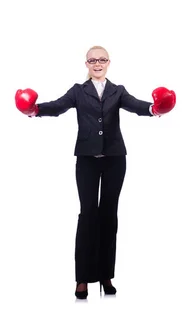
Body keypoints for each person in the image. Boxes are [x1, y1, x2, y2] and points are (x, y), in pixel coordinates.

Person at [14, 45, 176, 300]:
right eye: (92, 60)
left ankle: (105, 275)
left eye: (102, 60)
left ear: (109, 62)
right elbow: (58, 106)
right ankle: (82, 279)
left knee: (109, 214)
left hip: (115, 159)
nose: (97, 64)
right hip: (87, 160)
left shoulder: (117, 91)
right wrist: (34, 110)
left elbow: (136, 105)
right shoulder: (78, 91)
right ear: (86, 64)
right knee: (88, 214)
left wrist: (155, 109)